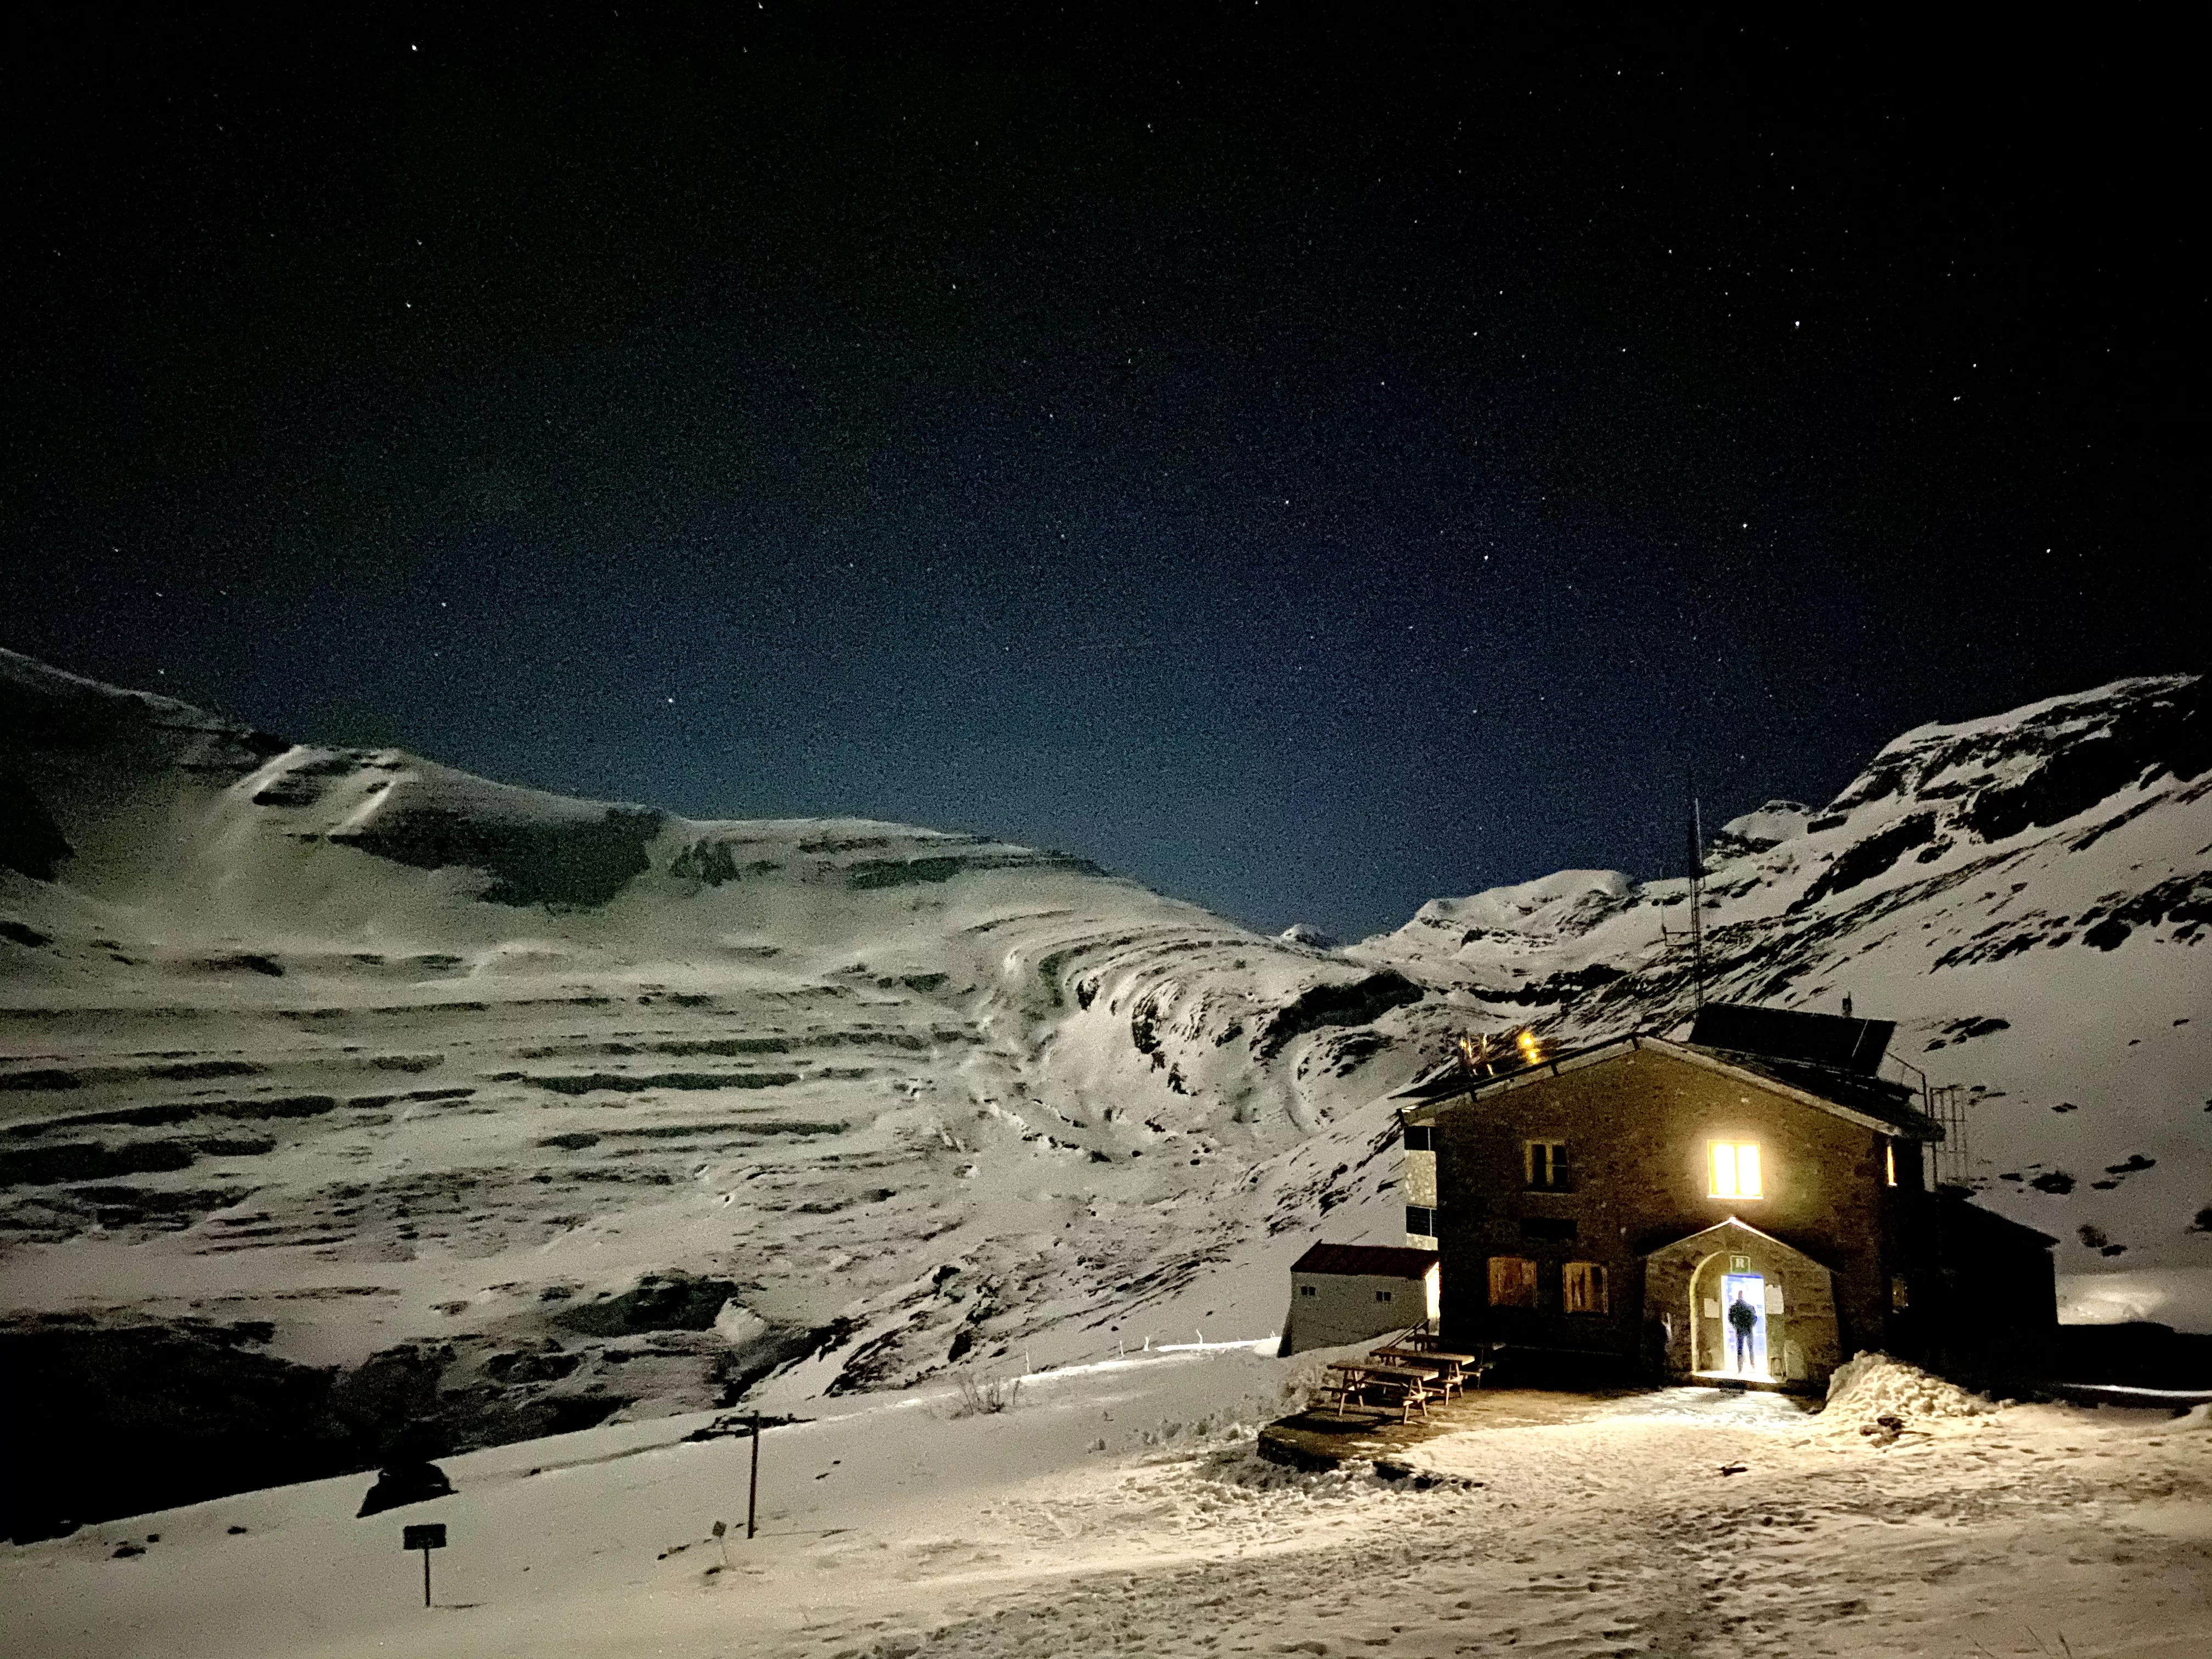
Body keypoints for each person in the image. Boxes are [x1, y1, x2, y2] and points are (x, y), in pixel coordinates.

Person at [1728, 1292, 1759, 1372]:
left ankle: (1740, 1366)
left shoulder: (1734, 1307)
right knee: (1751, 1347)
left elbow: (1730, 1318)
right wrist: (1751, 1326)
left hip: (1740, 1329)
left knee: (1740, 1348)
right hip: (1749, 1329)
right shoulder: (1749, 1307)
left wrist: (1736, 1326)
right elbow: (1755, 1318)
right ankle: (1753, 1364)